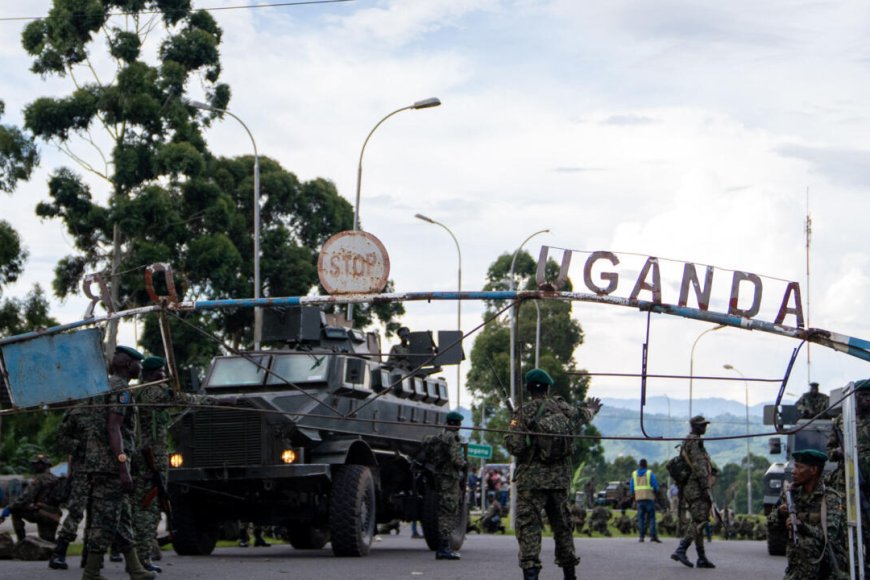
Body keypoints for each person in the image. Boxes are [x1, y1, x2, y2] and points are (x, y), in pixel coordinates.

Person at [505, 367, 601, 580]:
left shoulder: (522, 412)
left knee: (529, 528)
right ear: (547, 388)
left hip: (531, 482)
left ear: (529, 389)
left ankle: (531, 574)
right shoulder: (561, 407)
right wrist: (592, 409)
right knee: (563, 528)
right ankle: (569, 574)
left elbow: (515, 446)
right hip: (559, 481)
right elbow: (583, 415)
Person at [80, 345, 156, 580]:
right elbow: (114, 427)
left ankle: (135, 569)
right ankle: (91, 573)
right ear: (128, 365)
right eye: (137, 363)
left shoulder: (102, 385)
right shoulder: (121, 390)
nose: (140, 367)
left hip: (99, 463)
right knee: (105, 520)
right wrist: (123, 467)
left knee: (122, 518)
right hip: (111, 467)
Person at [768, 449, 847, 579]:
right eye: (794, 466)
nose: (793, 471)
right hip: (797, 564)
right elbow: (771, 526)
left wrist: (803, 526)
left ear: (813, 470)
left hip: (827, 564)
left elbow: (830, 536)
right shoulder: (790, 494)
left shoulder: (830, 498)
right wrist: (780, 514)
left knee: (805, 543)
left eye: (799, 467)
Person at [827, 378, 870, 575]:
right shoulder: (841, 421)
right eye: (864, 396)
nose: (867, 400)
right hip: (850, 484)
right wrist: (838, 452)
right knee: (851, 530)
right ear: (855, 397)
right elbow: (829, 451)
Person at [50, 398, 97, 570]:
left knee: (98, 513)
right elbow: (61, 437)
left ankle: (90, 556)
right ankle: (59, 553)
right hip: (82, 469)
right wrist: (80, 446)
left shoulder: (110, 410)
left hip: (104, 470)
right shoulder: (77, 412)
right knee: (76, 511)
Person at [670, 415, 718, 569]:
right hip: (696, 488)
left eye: (705, 425)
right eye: (702, 425)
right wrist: (706, 488)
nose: (705, 427)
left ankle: (701, 557)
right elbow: (699, 467)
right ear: (695, 426)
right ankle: (681, 549)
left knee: (698, 521)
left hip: (691, 488)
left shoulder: (689, 441)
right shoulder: (694, 442)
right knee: (700, 520)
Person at [419, 410, 466, 560]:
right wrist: (463, 462)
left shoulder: (438, 437)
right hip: (450, 479)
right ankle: (444, 547)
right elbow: (457, 460)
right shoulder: (452, 438)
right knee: (449, 511)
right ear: (458, 425)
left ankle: (443, 547)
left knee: (444, 509)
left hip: (440, 477)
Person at [0, 454, 61, 544]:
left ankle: (21, 542)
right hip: (54, 516)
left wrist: (9, 508)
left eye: (38, 464)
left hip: (41, 513)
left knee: (15, 511)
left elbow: (26, 498)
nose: (36, 466)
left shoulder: (39, 479)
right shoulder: (56, 479)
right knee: (48, 543)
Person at [631, 458, 661, 543]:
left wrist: (634, 496)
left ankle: (641, 537)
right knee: (651, 518)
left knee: (641, 518)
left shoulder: (634, 474)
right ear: (646, 465)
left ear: (639, 465)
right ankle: (653, 536)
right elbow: (655, 486)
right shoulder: (649, 473)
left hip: (639, 499)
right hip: (649, 498)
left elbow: (632, 488)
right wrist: (656, 492)